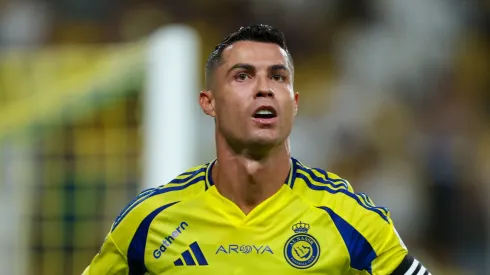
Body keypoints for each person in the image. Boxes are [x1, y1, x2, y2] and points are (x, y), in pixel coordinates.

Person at [83, 24, 430, 275]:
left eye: (278, 77)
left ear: (293, 103)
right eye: (243, 76)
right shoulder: (149, 220)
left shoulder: (350, 218)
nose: (264, 89)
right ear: (209, 102)